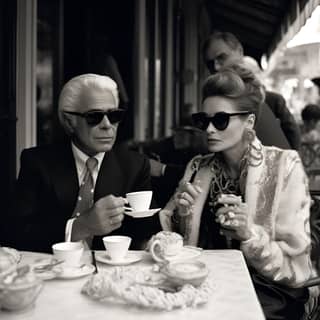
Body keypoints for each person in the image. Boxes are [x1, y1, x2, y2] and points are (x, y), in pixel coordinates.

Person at [159, 64, 315, 320]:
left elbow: (294, 258)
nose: (209, 129)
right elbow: (177, 247)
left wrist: (249, 234)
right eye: (203, 120)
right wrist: (182, 214)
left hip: (268, 290)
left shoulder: (285, 165)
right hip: (205, 283)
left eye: (220, 120)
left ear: (249, 121)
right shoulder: (198, 167)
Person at [6, 74, 160, 252]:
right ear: (69, 121)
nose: (107, 125)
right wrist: (80, 227)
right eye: (94, 116)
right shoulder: (37, 163)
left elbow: (147, 233)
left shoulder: (134, 166)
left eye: (114, 115)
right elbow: (15, 234)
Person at [202, 31, 301, 150]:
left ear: (239, 51)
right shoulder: (209, 103)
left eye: (222, 58)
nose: (216, 67)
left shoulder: (273, 102)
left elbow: (293, 142)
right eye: (210, 64)